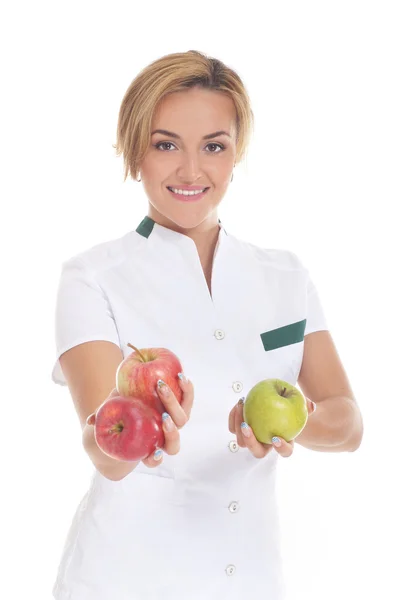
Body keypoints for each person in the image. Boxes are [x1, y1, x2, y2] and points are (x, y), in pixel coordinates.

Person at [51, 50, 363, 600]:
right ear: (134, 150)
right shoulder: (92, 277)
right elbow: (102, 442)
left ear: (236, 152)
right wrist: (140, 437)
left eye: (213, 147)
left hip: (253, 579)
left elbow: (347, 423)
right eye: (165, 144)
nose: (191, 171)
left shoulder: (285, 276)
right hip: (125, 580)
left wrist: (283, 426)